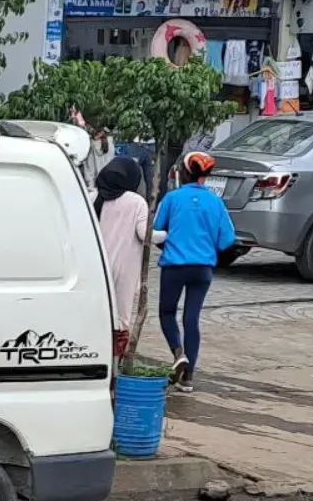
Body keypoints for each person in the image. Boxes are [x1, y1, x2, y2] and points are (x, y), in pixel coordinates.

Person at [152, 151, 236, 392]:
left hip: (174, 266)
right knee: (192, 318)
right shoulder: (216, 202)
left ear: (185, 172)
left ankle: (178, 353)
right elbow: (226, 239)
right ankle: (188, 378)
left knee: (167, 312)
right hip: (203, 269)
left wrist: (168, 242)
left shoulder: (172, 198)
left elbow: (157, 230)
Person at [93, 157, 164, 360]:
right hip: (125, 269)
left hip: (97, 267)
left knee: (99, 313)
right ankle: (116, 362)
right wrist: (169, 234)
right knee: (121, 317)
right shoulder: (135, 202)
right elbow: (145, 234)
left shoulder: (93, 197)